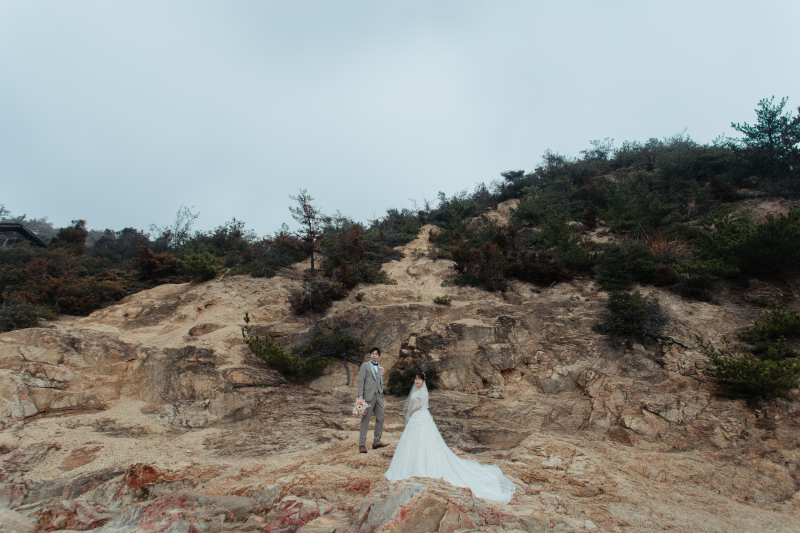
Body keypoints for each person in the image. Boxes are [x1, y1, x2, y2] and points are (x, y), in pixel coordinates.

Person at [384, 371, 516, 504]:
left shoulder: (423, 390)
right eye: (415, 379)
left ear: (423, 380)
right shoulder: (416, 389)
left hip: (421, 417)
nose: (417, 381)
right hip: (416, 420)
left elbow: (421, 404)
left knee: (425, 442)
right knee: (412, 443)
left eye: (419, 379)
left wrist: (412, 411)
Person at [357, 347, 389, 454]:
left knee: (381, 416)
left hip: (378, 395)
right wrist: (360, 396)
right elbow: (361, 381)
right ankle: (362, 444)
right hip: (368, 396)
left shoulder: (380, 367)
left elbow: (380, 381)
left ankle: (376, 441)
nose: (374, 355)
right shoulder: (365, 366)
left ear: (379, 356)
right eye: (372, 353)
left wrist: (381, 392)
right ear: (370, 355)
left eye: (376, 354)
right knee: (365, 419)